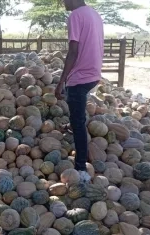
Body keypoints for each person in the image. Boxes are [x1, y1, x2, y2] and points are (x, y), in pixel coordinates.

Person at [54, 0, 104, 183]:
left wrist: (61, 82)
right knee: (77, 111)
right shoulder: (95, 14)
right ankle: (72, 127)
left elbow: (73, 51)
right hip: (94, 74)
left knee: (79, 121)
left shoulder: (75, 15)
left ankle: (81, 167)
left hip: (80, 77)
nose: (62, 3)